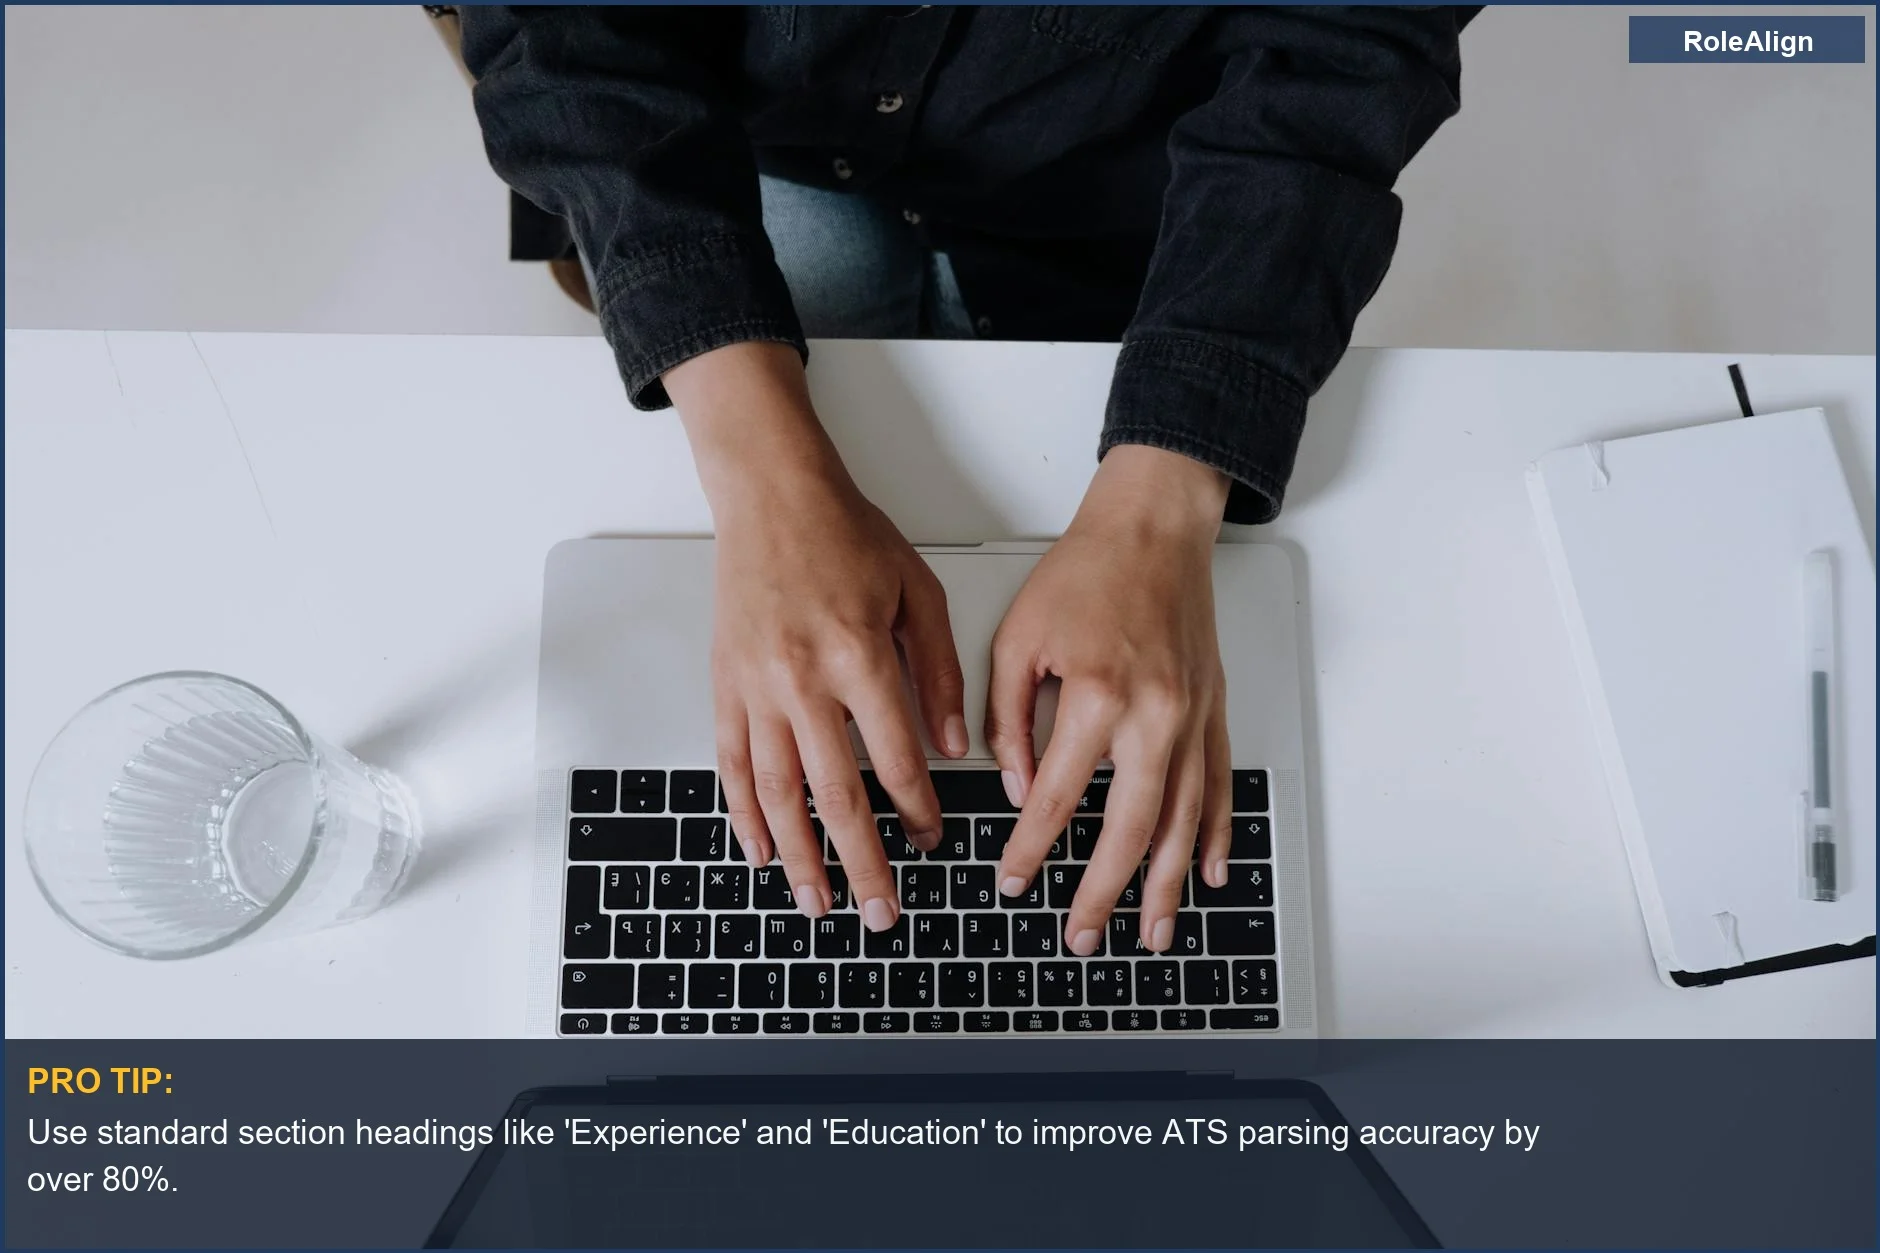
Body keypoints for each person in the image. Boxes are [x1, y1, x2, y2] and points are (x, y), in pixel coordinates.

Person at [459, 5, 1475, 957]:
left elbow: (1346, 51)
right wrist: (764, 478)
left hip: (1105, 177)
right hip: (746, 133)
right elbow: (559, 31)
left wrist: (1158, 511)